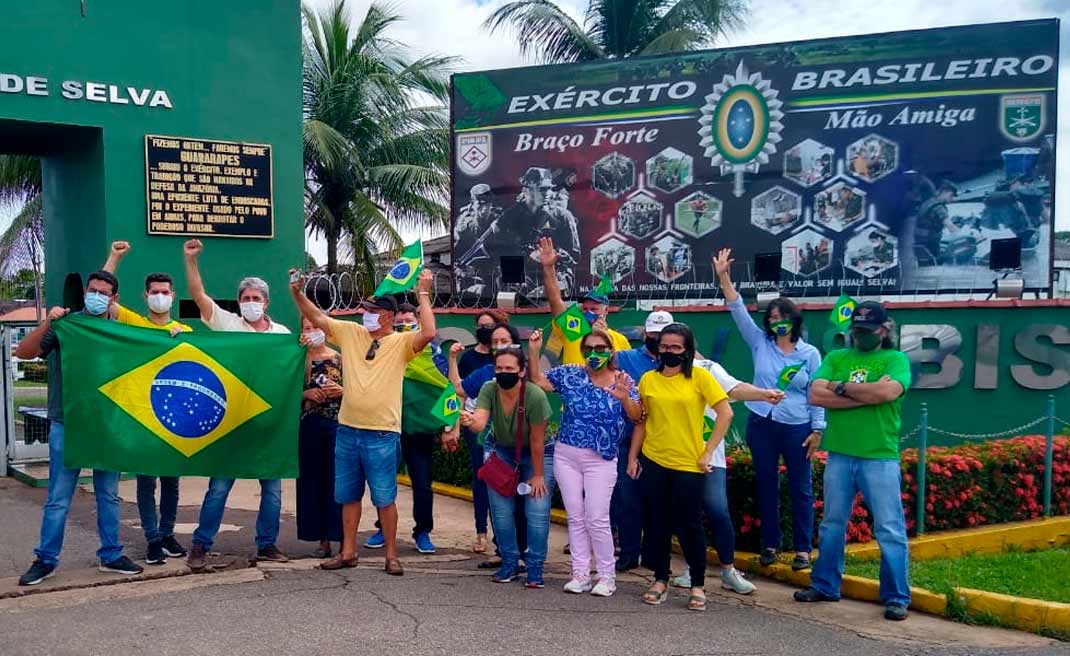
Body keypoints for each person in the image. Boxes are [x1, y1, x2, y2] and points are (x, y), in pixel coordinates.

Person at [290, 268, 437, 576]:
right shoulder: (351, 333)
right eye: (365, 309)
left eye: (371, 311)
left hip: (382, 433)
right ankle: (348, 552)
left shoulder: (401, 343)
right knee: (347, 495)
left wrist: (423, 293)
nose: (365, 314)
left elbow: (429, 334)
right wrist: (297, 293)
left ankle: (392, 556)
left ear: (387, 315)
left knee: (385, 497)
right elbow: (317, 318)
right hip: (348, 430)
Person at [16, 271, 144, 586]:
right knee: (59, 496)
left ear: (114, 299)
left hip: (105, 424)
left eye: (104, 292)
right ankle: (46, 559)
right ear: (86, 292)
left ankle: (111, 554)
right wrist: (49, 321)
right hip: (67, 422)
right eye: (92, 290)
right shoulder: (67, 325)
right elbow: (24, 352)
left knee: (109, 494)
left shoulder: (120, 332)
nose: (97, 295)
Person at [795, 301, 913, 622]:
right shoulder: (836, 357)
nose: (861, 337)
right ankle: (825, 584)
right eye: (857, 331)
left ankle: (896, 596)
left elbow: (888, 395)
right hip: (840, 453)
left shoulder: (896, 359)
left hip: (879, 456)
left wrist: (842, 387)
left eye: (868, 331)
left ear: (884, 330)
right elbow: (816, 395)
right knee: (832, 523)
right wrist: (865, 394)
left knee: (888, 528)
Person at [182, 239, 292, 570]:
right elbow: (200, 297)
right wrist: (190, 261)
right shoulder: (228, 323)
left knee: (272, 493)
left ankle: (267, 545)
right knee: (218, 489)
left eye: (256, 299)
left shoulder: (282, 334)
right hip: (231, 422)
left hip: (268, 426)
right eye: (245, 299)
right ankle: (201, 545)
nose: (250, 303)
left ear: (267, 302)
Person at [714, 248, 825, 571]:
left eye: (783, 318)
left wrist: (818, 430)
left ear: (795, 321)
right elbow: (737, 308)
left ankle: (803, 549)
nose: (778, 323)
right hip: (762, 423)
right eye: (773, 319)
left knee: (801, 487)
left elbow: (815, 392)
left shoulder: (810, 354)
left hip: (797, 427)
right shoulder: (760, 342)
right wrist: (723, 275)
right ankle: (770, 545)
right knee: (766, 484)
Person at [527, 328, 641, 597]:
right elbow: (539, 381)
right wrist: (533, 352)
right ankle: (580, 574)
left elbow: (638, 417)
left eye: (600, 349)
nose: (593, 354)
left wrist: (624, 398)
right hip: (566, 454)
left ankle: (606, 577)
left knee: (597, 518)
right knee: (575, 517)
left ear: (610, 351)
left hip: (601, 459)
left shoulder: (623, 380)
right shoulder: (571, 374)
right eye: (588, 348)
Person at [628, 323, 732, 611]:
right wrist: (633, 457)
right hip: (654, 460)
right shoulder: (648, 379)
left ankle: (697, 584)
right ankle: (660, 578)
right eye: (665, 347)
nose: (669, 352)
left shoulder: (700, 377)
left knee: (690, 526)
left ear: (687, 349)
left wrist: (708, 451)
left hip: (688, 463)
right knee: (657, 523)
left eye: (676, 347)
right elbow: (642, 420)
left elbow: (726, 412)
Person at [102, 240, 192, 566]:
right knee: (145, 483)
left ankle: (167, 533)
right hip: (141, 415)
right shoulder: (132, 323)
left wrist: (182, 338)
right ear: (145, 296)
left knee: (171, 482)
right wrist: (115, 258)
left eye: (165, 291)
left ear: (172, 296)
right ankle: (152, 539)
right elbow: (102, 299)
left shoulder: (183, 330)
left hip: (171, 419)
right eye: (154, 291)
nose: (159, 296)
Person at [669, 358, 785, 594]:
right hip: (675, 455)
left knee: (718, 511)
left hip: (710, 454)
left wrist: (763, 394)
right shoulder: (658, 372)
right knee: (685, 515)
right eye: (659, 339)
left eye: (675, 343)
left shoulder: (707, 368)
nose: (667, 348)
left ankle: (728, 571)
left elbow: (734, 388)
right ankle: (693, 568)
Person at [459, 346, 554, 588]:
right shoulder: (489, 388)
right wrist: (469, 421)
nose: (503, 373)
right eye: (499, 368)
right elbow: (480, 423)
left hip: (537, 453)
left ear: (521, 371)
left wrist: (539, 475)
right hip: (502, 450)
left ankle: (534, 567)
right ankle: (510, 562)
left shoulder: (535, 395)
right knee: (501, 512)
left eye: (509, 369)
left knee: (537, 512)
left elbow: (536, 440)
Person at [448, 322, 529, 570]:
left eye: (503, 341)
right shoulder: (485, 373)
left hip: (520, 446)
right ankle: (503, 550)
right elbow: (459, 388)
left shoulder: (526, 373)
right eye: (494, 342)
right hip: (492, 446)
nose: (498, 346)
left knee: (520, 501)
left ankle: (524, 553)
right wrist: (453, 359)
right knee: (498, 500)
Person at [364, 303, 442, 554]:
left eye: (409, 321)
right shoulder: (382, 348)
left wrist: (450, 425)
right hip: (387, 428)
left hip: (420, 430)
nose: (404, 326)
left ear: (419, 321)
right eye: (399, 323)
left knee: (422, 483)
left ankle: (423, 532)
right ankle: (382, 529)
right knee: (383, 482)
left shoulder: (433, 351)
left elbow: (445, 386)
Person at [611, 309, 673, 571]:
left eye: (662, 335)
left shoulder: (680, 363)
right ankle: (628, 553)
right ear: (645, 333)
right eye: (652, 334)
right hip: (628, 439)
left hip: (663, 439)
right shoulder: (626, 358)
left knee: (660, 501)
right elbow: (597, 354)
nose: (656, 339)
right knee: (628, 498)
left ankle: (655, 556)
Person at [455, 310, 508, 553]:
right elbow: (459, 392)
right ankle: (481, 532)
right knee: (482, 477)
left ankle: (504, 539)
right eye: (482, 326)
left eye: (491, 326)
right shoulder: (470, 361)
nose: (487, 331)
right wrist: (454, 425)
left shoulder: (511, 361)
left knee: (504, 479)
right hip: (477, 425)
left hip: (505, 427)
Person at [537, 236, 630, 365]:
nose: (589, 313)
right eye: (585, 309)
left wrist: (604, 338)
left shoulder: (619, 340)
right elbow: (555, 301)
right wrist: (548, 267)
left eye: (594, 309)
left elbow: (622, 371)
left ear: (606, 310)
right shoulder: (576, 329)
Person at [296, 317, 345, 558]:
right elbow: (282, 392)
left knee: (338, 483)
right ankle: (322, 539)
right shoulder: (296, 359)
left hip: (337, 427)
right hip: (308, 428)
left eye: (316, 326)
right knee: (312, 482)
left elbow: (359, 391)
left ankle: (343, 538)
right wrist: (305, 393)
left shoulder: (340, 358)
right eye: (307, 328)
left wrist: (341, 391)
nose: (312, 331)